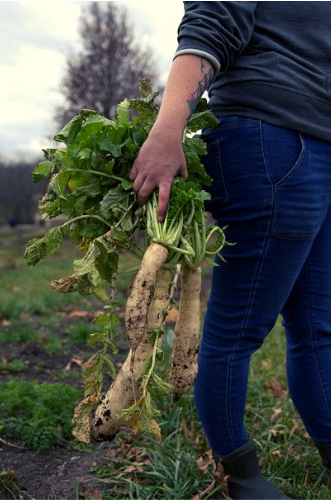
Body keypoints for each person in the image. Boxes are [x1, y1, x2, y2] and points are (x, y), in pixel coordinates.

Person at [130, 2, 331, 498]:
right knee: (238, 327)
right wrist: (167, 128)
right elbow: (212, 19)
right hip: (270, 139)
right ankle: (241, 476)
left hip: (319, 144)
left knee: (317, 326)